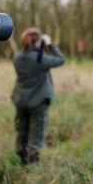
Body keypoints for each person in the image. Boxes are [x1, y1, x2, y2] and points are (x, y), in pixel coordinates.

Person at [11, 28, 64, 164]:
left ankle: (22, 157)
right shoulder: (40, 59)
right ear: (37, 42)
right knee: (36, 134)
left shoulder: (17, 57)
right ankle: (33, 162)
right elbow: (60, 59)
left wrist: (40, 46)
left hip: (21, 100)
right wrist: (50, 44)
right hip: (38, 101)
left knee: (21, 132)